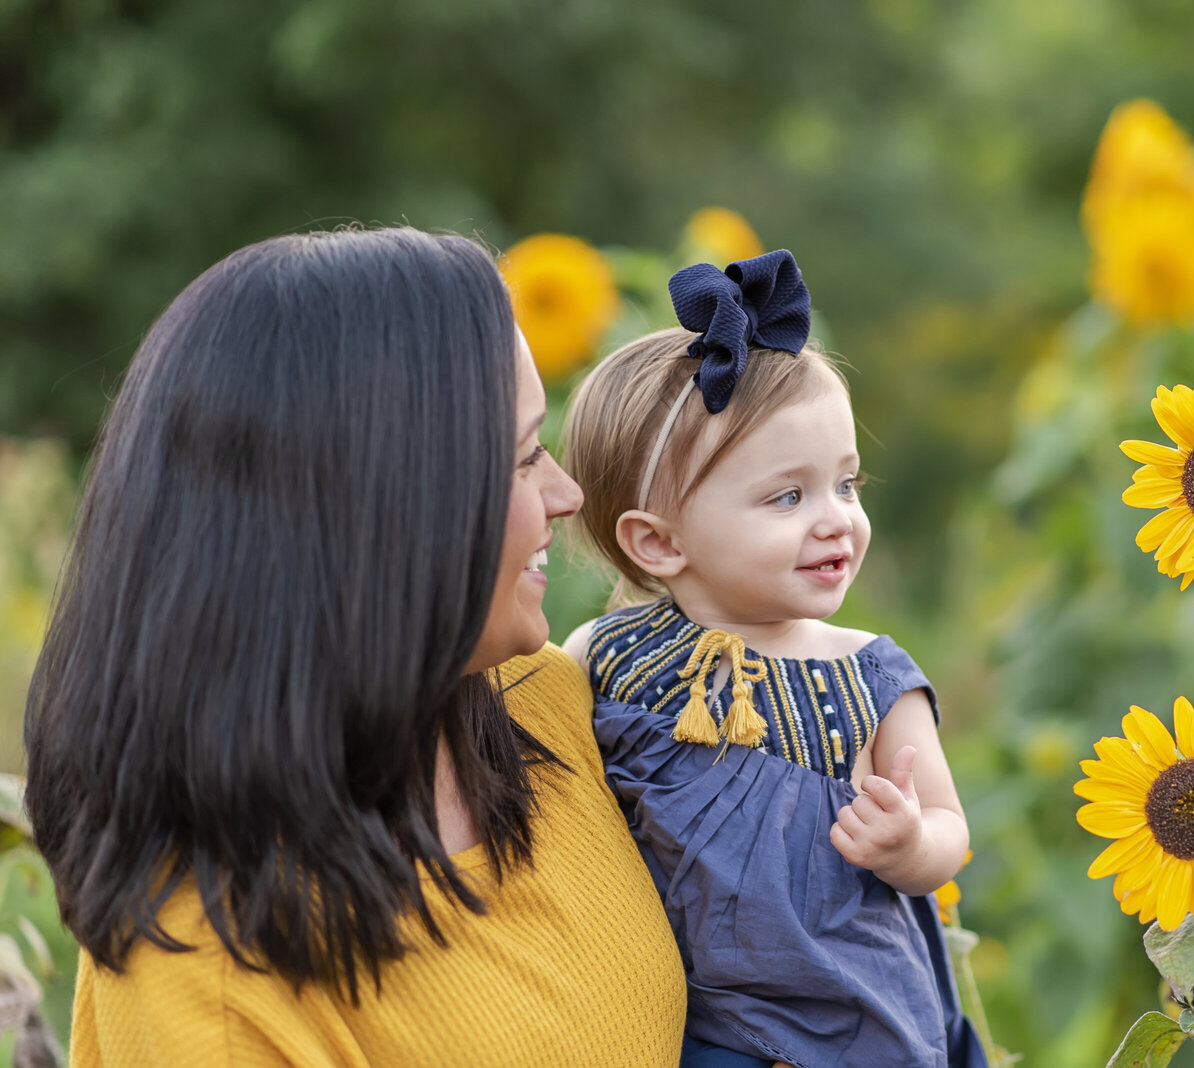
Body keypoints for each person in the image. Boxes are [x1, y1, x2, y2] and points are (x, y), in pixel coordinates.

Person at [24, 227, 687, 1066]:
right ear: (377, 517)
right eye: (524, 459)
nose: (569, 492)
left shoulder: (549, 704)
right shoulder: (218, 979)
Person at [560, 250, 987, 1067]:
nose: (836, 520)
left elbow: (948, 829)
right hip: (691, 1026)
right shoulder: (607, 657)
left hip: (856, 1021)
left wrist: (907, 846)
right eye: (788, 497)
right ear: (660, 540)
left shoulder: (870, 676)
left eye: (848, 485)